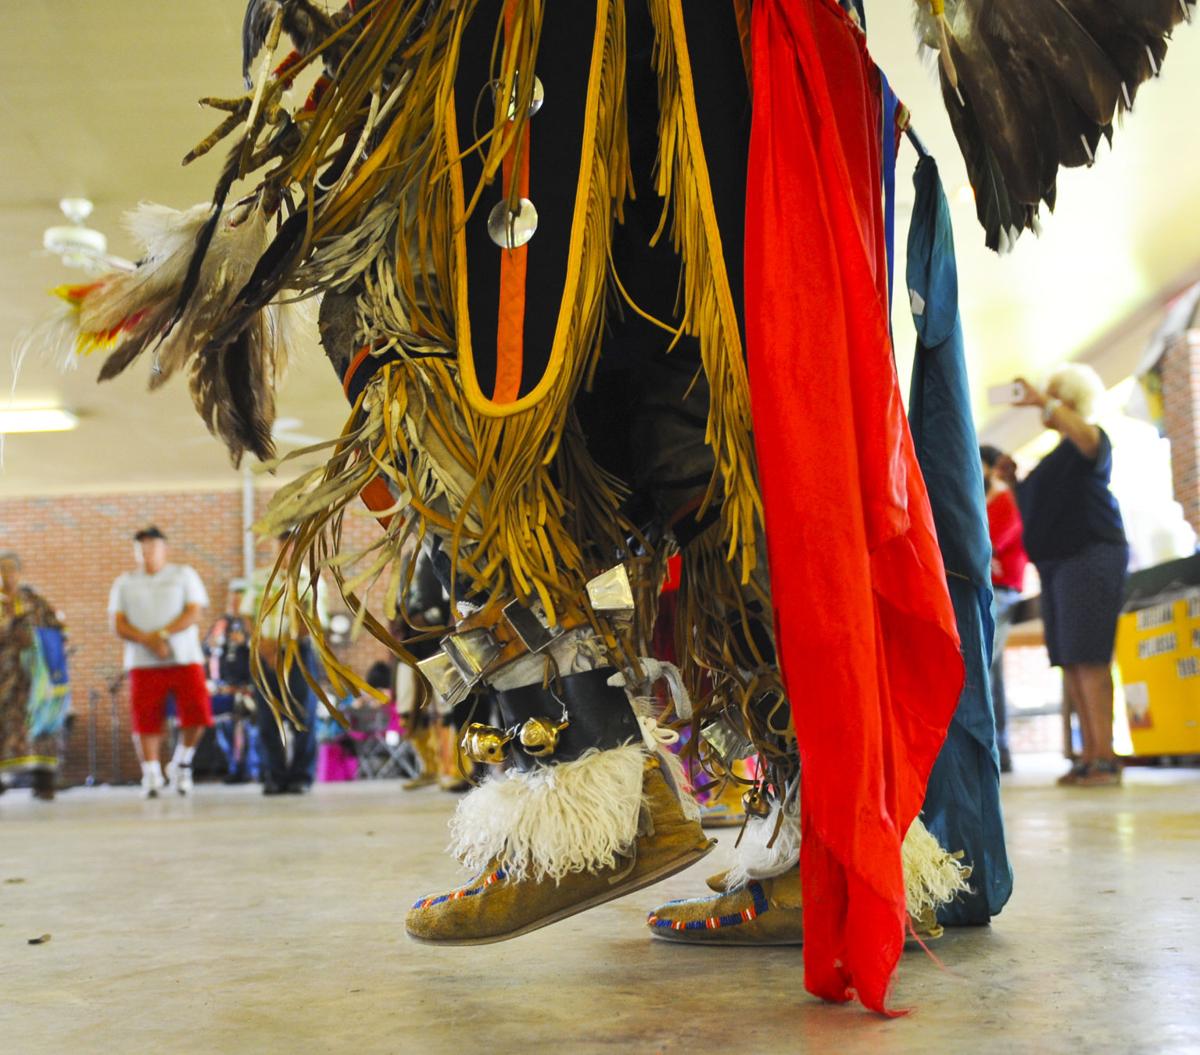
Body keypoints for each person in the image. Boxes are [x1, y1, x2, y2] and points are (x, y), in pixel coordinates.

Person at [56, 0, 1190, 1014]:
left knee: (496, 375)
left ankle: (614, 793)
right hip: (642, 57)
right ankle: (785, 830)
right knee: (683, 417)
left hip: (617, 56)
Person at [1000, 366, 1129, 787]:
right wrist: (1012, 481)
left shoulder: (1087, 439)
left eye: (1054, 397)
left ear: (1068, 400)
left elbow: (1089, 441)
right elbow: (1033, 512)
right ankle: (1088, 755)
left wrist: (1044, 402)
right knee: (1071, 658)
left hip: (1090, 554)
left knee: (1089, 656)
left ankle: (1104, 759)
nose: (1045, 405)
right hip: (1056, 564)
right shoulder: (1054, 459)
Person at [108, 526, 213, 797]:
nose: (147, 552)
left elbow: (194, 611)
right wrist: (149, 641)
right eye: (141, 547)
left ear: (164, 548)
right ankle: (151, 773)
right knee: (146, 719)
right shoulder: (125, 582)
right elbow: (118, 623)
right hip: (143, 661)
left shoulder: (183, 574)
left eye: (152, 546)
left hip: (184, 657)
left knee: (197, 713)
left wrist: (163, 635)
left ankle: (181, 762)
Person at [242, 533, 328, 796]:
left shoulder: (311, 580)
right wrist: (263, 646)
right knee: (268, 717)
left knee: (303, 716)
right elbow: (247, 615)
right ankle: (273, 776)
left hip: (298, 652)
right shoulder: (258, 579)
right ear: (275, 547)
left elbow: (315, 621)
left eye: (293, 546)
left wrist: (288, 646)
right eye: (283, 545)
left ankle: (301, 776)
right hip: (264, 650)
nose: (288, 551)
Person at [0, 551, 68, 800]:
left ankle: (44, 780)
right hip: (5, 678)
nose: (5, 574)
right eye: (1, 569)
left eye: (10, 569)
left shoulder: (34, 600)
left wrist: (38, 638)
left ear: (19, 572)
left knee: (42, 726)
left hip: (37, 678)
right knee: (7, 727)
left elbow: (58, 629)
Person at [980, 445, 1029, 773]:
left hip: (1002, 590)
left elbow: (985, 544)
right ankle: (994, 746)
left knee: (987, 666)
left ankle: (998, 746)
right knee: (986, 667)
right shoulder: (986, 501)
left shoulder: (1004, 501)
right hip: (988, 587)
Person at [203, 580, 260, 783]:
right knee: (225, 729)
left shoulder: (252, 623)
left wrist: (244, 641)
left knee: (250, 731)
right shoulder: (220, 625)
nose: (234, 605)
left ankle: (252, 769)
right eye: (232, 601)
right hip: (223, 687)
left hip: (248, 687)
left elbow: (262, 648)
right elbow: (207, 650)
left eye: (239, 601)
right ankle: (234, 768)